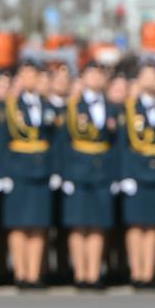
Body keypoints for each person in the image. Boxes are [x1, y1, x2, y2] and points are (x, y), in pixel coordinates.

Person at [0, 58, 58, 290]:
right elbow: (1, 141)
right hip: (17, 170)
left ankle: (34, 274)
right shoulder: (10, 106)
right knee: (18, 224)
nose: (30, 79)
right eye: (26, 74)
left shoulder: (47, 104)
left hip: (42, 169)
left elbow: (55, 141)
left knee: (39, 224)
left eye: (34, 75)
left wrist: (55, 170)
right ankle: (20, 273)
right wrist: (2, 173)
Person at [55, 60, 119, 290]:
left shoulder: (111, 107)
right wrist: (63, 174)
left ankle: (93, 273)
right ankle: (80, 273)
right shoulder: (72, 107)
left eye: (100, 74)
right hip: (77, 171)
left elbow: (116, 145)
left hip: (102, 171)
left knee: (98, 224)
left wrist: (116, 174)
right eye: (91, 73)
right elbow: (62, 144)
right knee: (78, 224)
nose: (96, 78)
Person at [117, 63, 155, 290]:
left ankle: (149, 272)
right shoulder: (129, 109)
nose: (151, 80)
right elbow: (122, 144)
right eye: (147, 76)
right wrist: (125, 174)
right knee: (135, 225)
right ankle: (137, 272)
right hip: (136, 170)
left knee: (153, 224)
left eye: (154, 76)